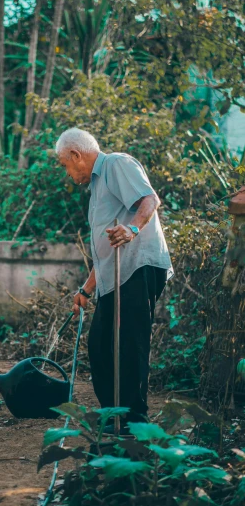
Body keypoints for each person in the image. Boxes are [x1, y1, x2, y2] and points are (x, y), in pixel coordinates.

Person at [55, 128, 173, 434]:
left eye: (64, 164)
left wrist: (132, 229)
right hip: (115, 274)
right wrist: (86, 289)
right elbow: (105, 252)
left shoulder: (117, 165)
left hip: (136, 267)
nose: (66, 172)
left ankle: (135, 423)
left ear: (76, 155)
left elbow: (150, 199)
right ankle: (114, 416)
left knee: (129, 345)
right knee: (100, 345)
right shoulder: (97, 185)